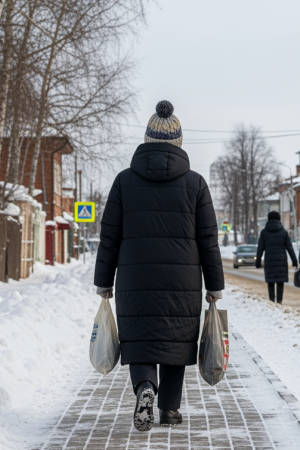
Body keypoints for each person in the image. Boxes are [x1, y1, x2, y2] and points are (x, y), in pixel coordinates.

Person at [94, 101, 223, 432]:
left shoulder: (124, 181)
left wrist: (103, 281)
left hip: (134, 277)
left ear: (147, 139)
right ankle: (169, 409)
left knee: (139, 338)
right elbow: (209, 239)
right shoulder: (195, 184)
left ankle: (144, 387)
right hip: (182, 279)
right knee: (176, 341)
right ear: (179, 141)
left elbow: (109, 236)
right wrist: (215, 285)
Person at [256, 211, 297, 303]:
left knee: (270, 281)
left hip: (269, 260)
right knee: (280, 281)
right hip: (281, 260)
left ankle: (271, 300)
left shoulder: (264, 232)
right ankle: (279, 300)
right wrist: (294, 261)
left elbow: (260, 248)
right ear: (279, 219)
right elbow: (290, 248)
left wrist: (258, 261)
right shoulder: (284, 232)